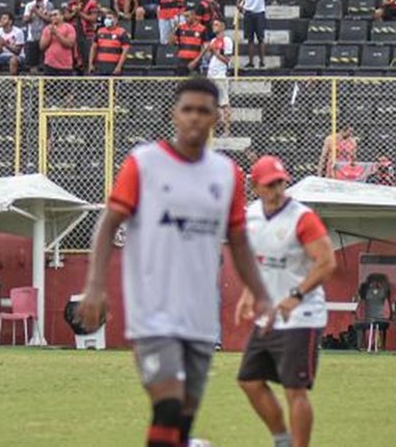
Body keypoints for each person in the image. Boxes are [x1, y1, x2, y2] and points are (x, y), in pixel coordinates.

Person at [78, 77, 271, 447]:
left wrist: (259, 291)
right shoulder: (144, 164)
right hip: (153, 312)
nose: (195, 118)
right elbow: (107, 225)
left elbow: (240, 241)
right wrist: (94, 285)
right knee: (168, 406)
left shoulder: (227, 174)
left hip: (199, 317)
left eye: (203, 110)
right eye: (187, 110)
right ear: (174, 114)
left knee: (180, 423)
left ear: (217, 116)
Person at [237, 156, 336, 447]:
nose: (277, 189)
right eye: (269, 184)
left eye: (280, 182)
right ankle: (282, 439)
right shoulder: (250, 216)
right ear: (255, 187)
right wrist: (247, 293)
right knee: (249, 381)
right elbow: (256, 262)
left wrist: (296, 296)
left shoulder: (301, 218)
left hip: (302, 315)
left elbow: (327, 263)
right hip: (268, 315)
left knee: (295, 390)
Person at [39, 8, 77, 77]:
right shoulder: (47, 29)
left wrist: (57, 34)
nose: (53, 17)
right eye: (51, 16)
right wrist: (50, 34)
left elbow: (70, 44)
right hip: (50, 65)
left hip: (65, 66)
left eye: (55, 15)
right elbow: (42, 46)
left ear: (62, 16)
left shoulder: (69, 28)